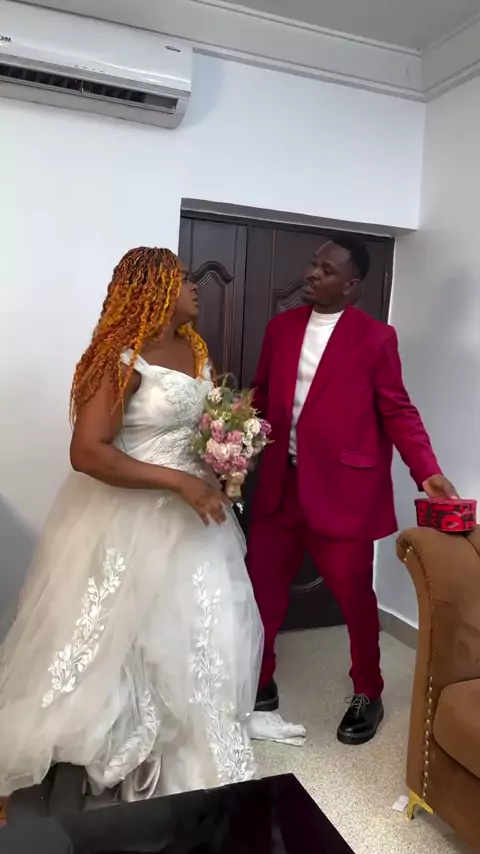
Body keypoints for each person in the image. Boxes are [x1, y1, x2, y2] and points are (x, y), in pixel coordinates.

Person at [0, 247, 263, 800]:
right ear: (156, 288)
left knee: (206, 632)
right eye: (183, 278)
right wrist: (178, 482)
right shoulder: (120, 359)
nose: (195, 286)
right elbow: (88, 452)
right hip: (131, 518)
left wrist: (224, 453)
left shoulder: (195, 350)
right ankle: (107, 754)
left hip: (197, 524)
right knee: (118, 639)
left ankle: (195, 747)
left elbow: (195, 429)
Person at [247, 235, 456, 747]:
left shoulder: (376, 339)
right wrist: (234, 433)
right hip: (279, 486)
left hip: (343, 492)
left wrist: (426, 472)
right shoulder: (281, 328)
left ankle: (368, 690)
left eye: (326, 269)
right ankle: (259, 679)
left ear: (351, 285)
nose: (312, 273)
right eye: (313, 264)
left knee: (355, 598)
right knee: (260, 592)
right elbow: (263, 394)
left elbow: (397, 411)